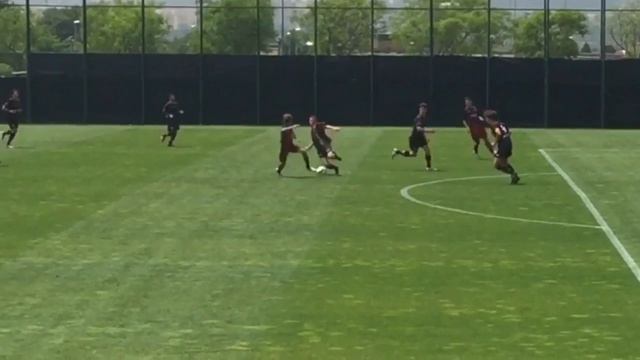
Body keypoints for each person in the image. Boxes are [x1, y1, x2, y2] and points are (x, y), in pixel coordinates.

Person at [392, 102, 437, 171]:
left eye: (424, 108)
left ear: (426, 110)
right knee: (413, 154)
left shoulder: (423, 117)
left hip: (420, 137)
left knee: (427, 150)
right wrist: (429, 131)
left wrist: (425, 137)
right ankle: (397, 151)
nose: (422, 110)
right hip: (415, 139)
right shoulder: (418, 118)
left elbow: (421, 130)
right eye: (421, 108)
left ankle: (428, 167)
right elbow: (418, 129)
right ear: (419, 109)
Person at [484, 109, 520, 185]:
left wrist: (495, 143)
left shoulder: (494, 126)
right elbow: (509, 132)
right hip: (507, 142)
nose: (485, 120)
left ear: (489, 119)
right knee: (497, 165)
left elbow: (499, 134)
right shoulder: (502, 124)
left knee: (502, 163)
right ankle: (513, 174)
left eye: (486, 118)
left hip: (504, 144)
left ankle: (514, 175)